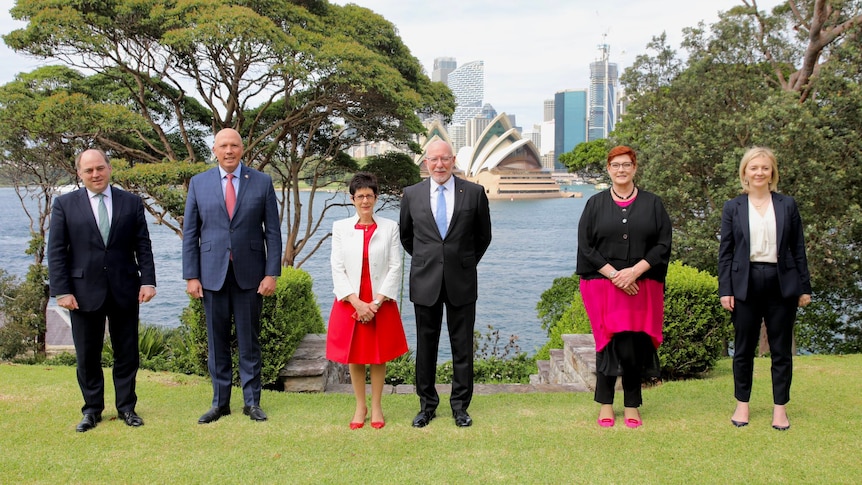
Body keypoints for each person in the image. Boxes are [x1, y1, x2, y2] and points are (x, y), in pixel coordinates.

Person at [48, 148, 157, 432]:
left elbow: (142, 245)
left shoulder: (131, 203)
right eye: (89, 170)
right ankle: (92, 410)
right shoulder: (64, 205)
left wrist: (148, 281)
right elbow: (57, 252)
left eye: (100, 168)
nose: (95, 174)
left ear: (109, 168)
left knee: (127, 353)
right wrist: (62, 291)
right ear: (79, 174)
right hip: (82, 293)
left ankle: (127, 408)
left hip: (125, 288)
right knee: (87, 355)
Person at [182, 128, 282, 424]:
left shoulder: (262, 182)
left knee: (249, 342)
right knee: (217, 343)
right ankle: (220, 403)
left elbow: (273, 233)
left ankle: (252, 403)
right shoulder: (199, 183)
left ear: (242, 148)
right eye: (223, 145)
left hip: (250, 276)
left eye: (234, 145)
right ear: (214, 150)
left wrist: (271, 273)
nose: (229, 150)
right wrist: (191, 276)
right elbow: (190, 234)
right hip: (211, 275)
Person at [576, 145, 672, 429]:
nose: (621, 169)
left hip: (642, 284)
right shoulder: (594, 204)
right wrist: (616, 276)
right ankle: (606, 404)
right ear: (608, 169)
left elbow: (663, 244)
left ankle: (632, 405)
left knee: (632, 345)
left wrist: (635, 272)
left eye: (626, 165)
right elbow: (586, 247)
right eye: (615, 165)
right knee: (607, 342)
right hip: (602, 285)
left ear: (634, 168)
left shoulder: (653, 204)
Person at [399, 139, 492, 428]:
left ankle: (460, 407)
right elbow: (406, 237)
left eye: (444, 159)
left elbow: (483, 237)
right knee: (426, 347)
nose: (439, 164)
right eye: (433, 159)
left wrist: (462, 262)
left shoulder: (474, 193)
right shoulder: (411, 194)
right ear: (425, 162)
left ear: (453, 160)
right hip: (425, 281)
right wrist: (430, 261)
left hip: (461, 280)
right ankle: (427, 406)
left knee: (462, 347)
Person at [718, 146, 811, 431]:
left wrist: (804, 288)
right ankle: (742, 404)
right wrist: (725, 290)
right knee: (743, 349)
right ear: (745, 172)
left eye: (765, 168)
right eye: (754, 168)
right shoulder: (733, 207)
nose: (759, 172)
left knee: (781, 350)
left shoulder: (787, 204)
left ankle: (780, 409)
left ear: (772, 172)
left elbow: (798, 248)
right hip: (744, 284)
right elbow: (726, 252)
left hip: (781, 283)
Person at [326, 173, 408, 430]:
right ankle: (360, 405)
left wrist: (376, 302)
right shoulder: (340, 228)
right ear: (352, 199)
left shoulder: (389, 227)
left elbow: (396, 266)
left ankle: (377, 406)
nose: (365, 200)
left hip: (379, 300)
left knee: (378, 355)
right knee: (356, 355)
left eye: (369, 196)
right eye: (359, 196)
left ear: (376, 198)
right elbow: (337, 267)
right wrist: (356, 302)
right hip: (350, 299)